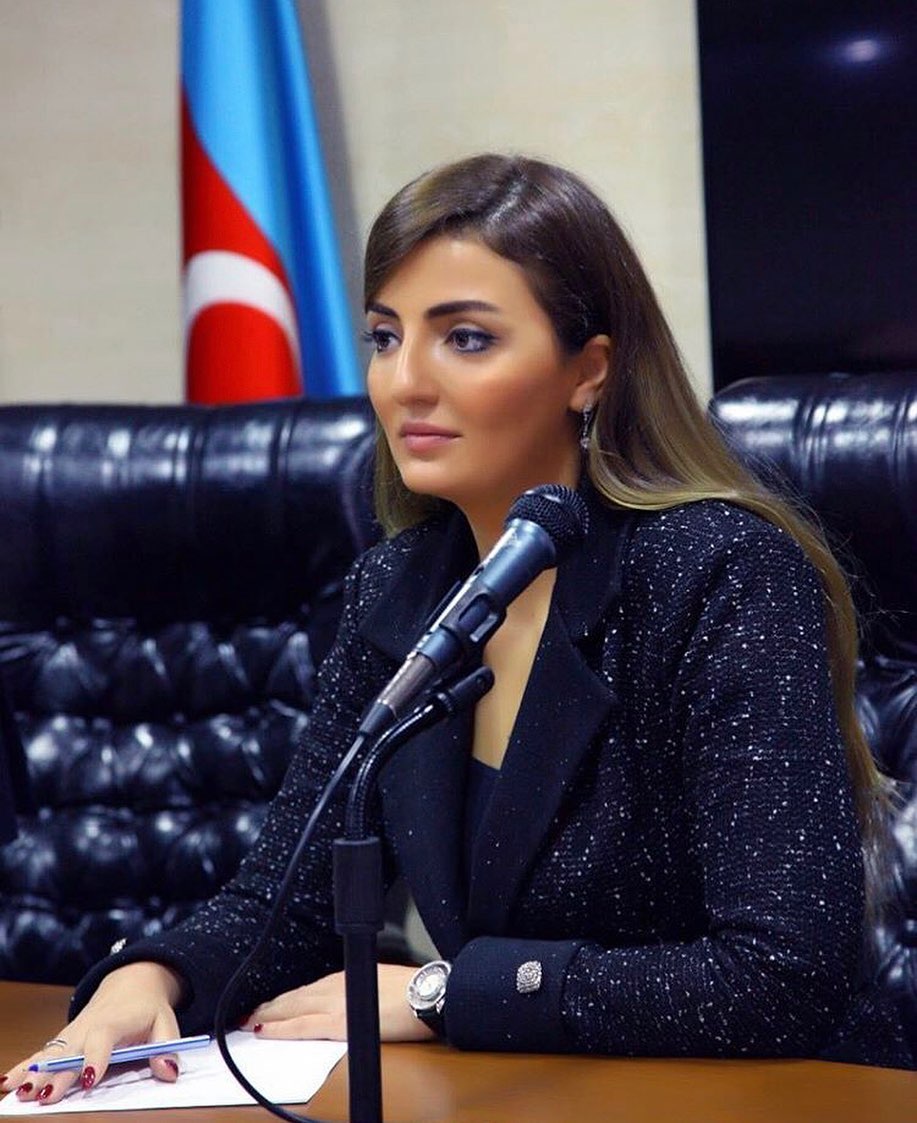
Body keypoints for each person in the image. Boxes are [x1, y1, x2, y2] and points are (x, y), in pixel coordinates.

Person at [2, 154, 909, 1105]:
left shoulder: (718, 570)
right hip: (523, 1095)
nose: (405, 382)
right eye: (384, 337)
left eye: (465, 339)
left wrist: (442, 992)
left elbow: (779, 976)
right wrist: (155, 976)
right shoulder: (399, 587)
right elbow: (291, 901)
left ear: (589, 371)